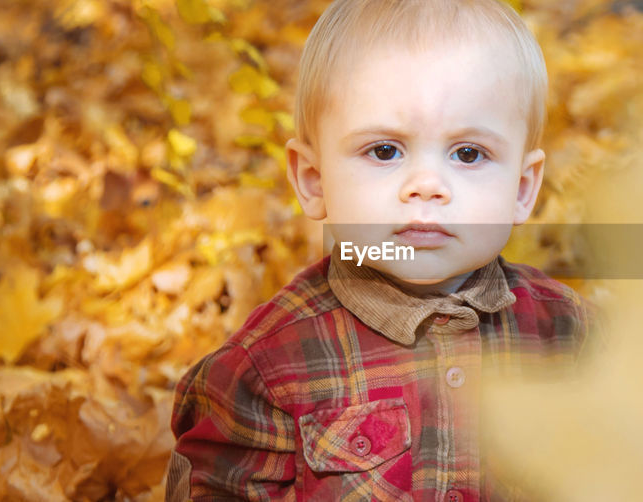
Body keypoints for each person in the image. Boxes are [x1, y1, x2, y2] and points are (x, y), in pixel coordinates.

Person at [166, 0, 595, 500]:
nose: (427, 185)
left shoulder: (567, 334)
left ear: (523, 189)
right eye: (385, 151)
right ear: (314, 180)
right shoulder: (267, 369)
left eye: (468, 153)